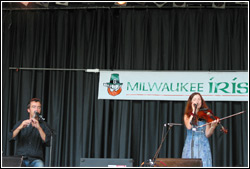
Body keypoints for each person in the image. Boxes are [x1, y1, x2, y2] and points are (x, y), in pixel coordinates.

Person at [9, 98, 51, 167]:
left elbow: (48, 141)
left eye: (38, 107)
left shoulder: (44, 125)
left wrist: (39, 128)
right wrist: (20, 127)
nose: (36, 110)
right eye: (34, 107)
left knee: (40, 165)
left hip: (36, 159)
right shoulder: (21, 123)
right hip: (21, 158)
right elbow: (10, 137)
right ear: (28, 110)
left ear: (40, 110)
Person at [181, 92, 219, 167]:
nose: (197, 101)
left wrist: (213, 126)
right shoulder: (187, 115)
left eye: (199, 99)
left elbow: (207, 134)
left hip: (203, 145)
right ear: (191, 102)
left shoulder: (206, 115)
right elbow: (189, 126)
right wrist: (193, 111)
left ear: (201, 101)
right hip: (190, 145)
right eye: (195, 99)